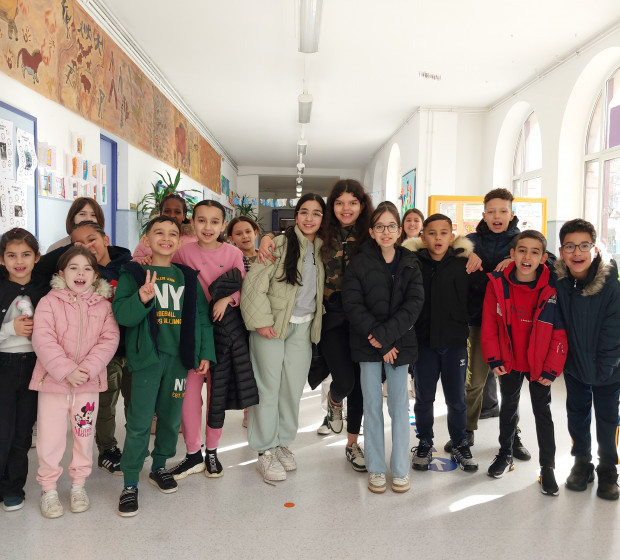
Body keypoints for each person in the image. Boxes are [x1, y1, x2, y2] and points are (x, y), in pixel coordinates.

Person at [259, 179, 374, 472]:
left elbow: (401, 242)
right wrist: (267, 236)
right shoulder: (324, 234)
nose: (346, 208)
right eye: (339, 203)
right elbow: (296, 234)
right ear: (331, 207)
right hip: (330, 315)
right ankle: (334, 402)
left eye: (353, 202)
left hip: (363, 317)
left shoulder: (371, 235)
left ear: (362, 205)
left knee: (360, 385)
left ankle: (352, 444)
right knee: (344, 381)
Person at [112, 216, 216, 517]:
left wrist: (204, 352)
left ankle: (159, 466)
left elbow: (201, 318)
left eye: (173, 234)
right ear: (146, 239)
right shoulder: (134, 273)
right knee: (140, 421)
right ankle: (130, 481)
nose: (166, 238)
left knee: (171, 419)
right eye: (159, 232)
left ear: (180, 241)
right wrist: (142, 298)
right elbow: (122, 314)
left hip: (178, 361)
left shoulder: (187, 277)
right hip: (147, 359)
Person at [169, 200, 256, 480]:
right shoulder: (182, 253)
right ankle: (193, 452)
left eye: (215, 221)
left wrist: (227, 299)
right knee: (189, 396)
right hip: (192, 334)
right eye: (202, 220)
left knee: (217, 395)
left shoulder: (232, 253)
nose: (208, 227)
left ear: (223, 225)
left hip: (223, 333)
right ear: (192, 222)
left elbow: (245, 289)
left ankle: (213, 452)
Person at [241, 194, 325, 481]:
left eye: (316, 213)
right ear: (296, 215)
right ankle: (265, 450)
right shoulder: (277, 244)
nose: (309, 218)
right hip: (272, 326)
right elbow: (254, 285)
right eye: (304, 212)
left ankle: (282, 443)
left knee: (291, 390)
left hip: (304, 327)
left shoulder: (322, 249)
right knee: (268, 388)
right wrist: (261, 321)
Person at [30, 246, 120, 517]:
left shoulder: (103, 306)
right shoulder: (49, 302)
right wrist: (66, 369)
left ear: (95, 275)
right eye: (73, 268)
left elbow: (109, 340)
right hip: (53, 385)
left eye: (87, 268)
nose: (80, 273)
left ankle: (78, 485)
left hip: (87, 386)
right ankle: (48, 489)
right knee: (50, 439)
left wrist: (88, 369)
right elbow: (42, 338)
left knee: (83, 436)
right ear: (61, 273)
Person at [342, 201, 423, 493]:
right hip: (368, 344)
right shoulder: (359, 262)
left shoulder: (410, 262)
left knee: (399, 407)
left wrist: (387, 339)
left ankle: (400, 469)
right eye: (380, 226)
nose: (386, 232)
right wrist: (380, 340)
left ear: (399, 230)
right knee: (372, 406)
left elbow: (414, 304)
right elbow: (353, 304)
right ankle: (376, 468)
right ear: (371, 231)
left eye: (391, 226)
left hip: (399, 344)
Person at [446, 188, 531, 461]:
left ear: (511, 213)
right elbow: (450, 250)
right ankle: (465, 431)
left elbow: (547, 258)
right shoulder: (472, 240)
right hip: (477, 321)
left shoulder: (521, 241)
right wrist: (465, 253)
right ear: (483, 215)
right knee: (473, 382)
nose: (497, 216)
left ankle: (512, 435)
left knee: (510, 385)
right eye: (491, 212)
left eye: (503, 211)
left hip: (511, 325)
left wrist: (517, 258)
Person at [481, 230, 567, 496]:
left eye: (534, 252)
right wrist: (494, 357)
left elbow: (559, 331)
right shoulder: (497, 284)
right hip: (509, 360)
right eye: (522, 250)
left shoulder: (553, 288)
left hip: (540, 364)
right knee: (508, 407)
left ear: (543, 258)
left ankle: (547, 468)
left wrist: (552, 367)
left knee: (543, 413)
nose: (527, 256)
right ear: (512, 254)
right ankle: (505, 454)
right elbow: (489, 324)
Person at [404, 214, 482, 473]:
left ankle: (460, 443)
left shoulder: (463, 263)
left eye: (443, 233)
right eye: (432, 233)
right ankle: (425, 442)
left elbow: (479, 292)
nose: (438, 238)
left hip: (455, 343)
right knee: (424, 398)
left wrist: (462, 315)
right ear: (423, 237)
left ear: (452, 236)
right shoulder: (413, 262)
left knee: (456, 399)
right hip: (423, 343)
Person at [0, 228, 66, 513]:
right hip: (3, 366)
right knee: (3, 430)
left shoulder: (45, 291)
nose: (19, 261)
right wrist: (9, 329)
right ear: (1, 259)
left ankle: (13, 488)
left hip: (34, 368)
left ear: (37, 257)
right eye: (12, 255)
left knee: (23, 432)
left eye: (26, 254)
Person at [555, 219, 620, 501]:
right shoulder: (558, 280)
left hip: (610, 368)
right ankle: (582, 462)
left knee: (608, 419)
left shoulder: (611, 283)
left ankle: (608, 468)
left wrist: (606, 367)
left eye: (584, 245)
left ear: (594, 249)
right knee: (577, 415)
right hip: (574, 366)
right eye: (570, 246)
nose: (577, 252)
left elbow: (614, 329)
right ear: (561, 251)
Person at [70, 221, 132, 475]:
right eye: (78, 244)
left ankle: (135, 446)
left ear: (106, 240)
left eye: (91, 240)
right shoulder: (79, 275)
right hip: (101, 353)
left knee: (135, 403)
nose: (87, 247)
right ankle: (107, 449)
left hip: (131, 347)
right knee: (104, 404)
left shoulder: (129, 267)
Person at [228, 216, 260, 428]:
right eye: (238, 234)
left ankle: (261, 408)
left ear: (255, 232)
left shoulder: (266, 255)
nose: (245, 236)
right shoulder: (232, 258)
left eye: (248, 231)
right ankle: (249, 409)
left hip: (263, 318)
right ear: (231, 238)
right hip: (240, 318)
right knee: (246, 365)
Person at [132, 193, 197, 261]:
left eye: (177, 212)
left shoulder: (193, 239)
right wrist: (144, 261)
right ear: (161, 214)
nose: (172, 215)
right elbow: (136, 259)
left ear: (183, 216)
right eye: (167, 211)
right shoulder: (149, 236)